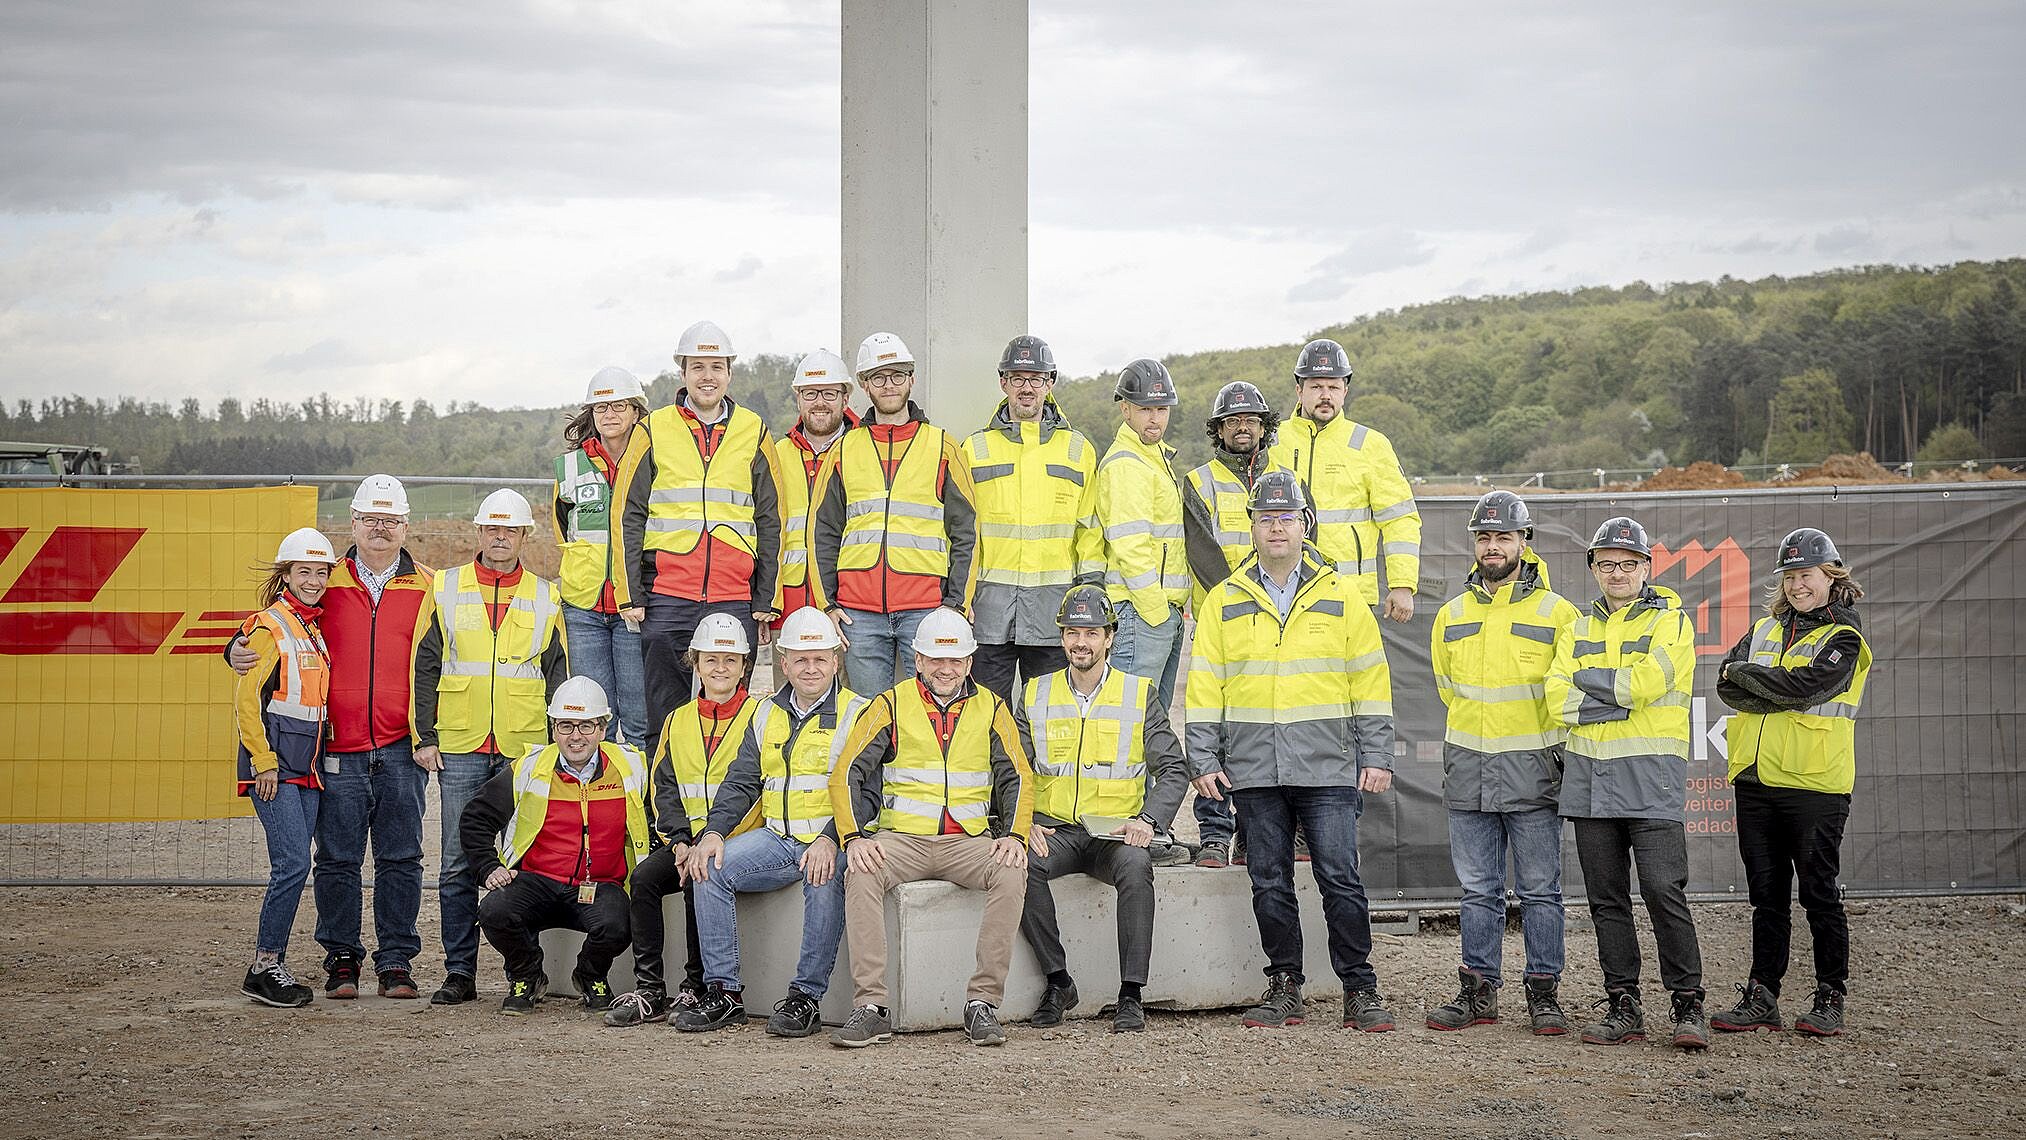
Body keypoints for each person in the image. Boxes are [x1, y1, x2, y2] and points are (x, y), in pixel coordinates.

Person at [1185, 473, 1399, 1033]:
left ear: (1305, 525)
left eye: (1286, 518)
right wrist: (1203, 758)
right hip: (1254, 767)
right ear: (1251, 527)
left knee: (1339, 877)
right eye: (1265, 518)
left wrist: (1376, 755)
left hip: (1326, 764)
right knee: (1269, 879)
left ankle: (1360, 988)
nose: (1276, 527)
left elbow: (1370, 680)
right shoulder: (1225, 600)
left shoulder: (1342, 596)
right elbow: (1206, 685)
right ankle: (1285, 985)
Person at [225, 474, 435, 1001]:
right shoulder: (325, 580)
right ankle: (342, 958)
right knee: (338, 859)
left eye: (391, 520)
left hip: (402, 747)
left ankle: (395, 962)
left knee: (400, 858)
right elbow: (275, 624)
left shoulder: (432, 586)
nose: (381, 529)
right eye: (370, 519)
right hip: (336, 749)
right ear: (354, 523)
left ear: (406, 525)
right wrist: (234, 646)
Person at [827, 608, 1034, 1048]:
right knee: (860, 871)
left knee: (1013, 872)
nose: (946, 668)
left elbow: (1017, 776)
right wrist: (851, 838)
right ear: (918, 659)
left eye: (955, 660)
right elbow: (846, 772)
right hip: (902, 840)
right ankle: (872, 1007)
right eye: (936, 660)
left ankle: (982, 1004)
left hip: (968, 842)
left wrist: (1014, 836)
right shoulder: (889, 703)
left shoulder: (992, 708)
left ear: (970, 663)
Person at [1545, 517, 1708, 1050]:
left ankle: (1688, 1007)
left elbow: (1648, 683)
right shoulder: (1576, 627)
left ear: (1646, 568)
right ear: (1593, 568)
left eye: (1629, 564)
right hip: (1590, 785)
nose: (1618, 572)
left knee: (1664, 891)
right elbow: (1555, 700)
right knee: (1606, 901)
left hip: (1651, 782)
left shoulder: (1673, 622)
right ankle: (1624, 1006)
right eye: (1607, 564)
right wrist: (1619, 696)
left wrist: (1592, 687)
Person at [1426, 490, 1580, 1036]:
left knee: (1541, 890)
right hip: (1469, 772)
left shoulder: (1559, 614)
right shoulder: (1452, 614)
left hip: (1533, 774)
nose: (1493, 546)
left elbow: (1565, 695)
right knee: (1477, 891)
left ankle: (1544, 995)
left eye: (1504, 537)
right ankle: (1478, 995)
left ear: (1524, 541)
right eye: (1485, 537)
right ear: (1475, 544)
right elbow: (1450, 689)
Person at [673, 607, 867, 1036]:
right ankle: (724, 992)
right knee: (709, 867)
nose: (810, 668)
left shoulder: (859, 713)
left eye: (820, 658)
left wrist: (832, 839)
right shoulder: (765, 713)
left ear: (836, 661)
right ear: (784, 663)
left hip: (831, 839)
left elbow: (867, 789)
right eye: (800, 658)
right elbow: (741, 781)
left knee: (823, 875)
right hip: (778, 839)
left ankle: (806, 998)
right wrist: (712, 834)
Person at [411, 487, 569, 1006]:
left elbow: (558, 674)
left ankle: (525, 972)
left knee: (526, 860)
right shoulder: (446, 588)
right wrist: (424, 735)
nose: (500, 538)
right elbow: (424, 662)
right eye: (492, 529)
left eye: (511, 530)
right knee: (458, 862)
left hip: (524, 746)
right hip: (461, 742)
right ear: (479, 532)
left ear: (526, 535)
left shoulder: (548, 596)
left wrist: (555, 746)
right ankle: (459, 973)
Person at [1712, 527, 1871, 1038]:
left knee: (1819, 894)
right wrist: (1763, 686)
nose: (1798, 585)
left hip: (1815, 784)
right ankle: (1763, 995)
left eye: (1807, 575)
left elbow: (1805, 689)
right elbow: (1723, 679)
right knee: (1766, 895)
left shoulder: (1845, 638)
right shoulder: (1763, 628)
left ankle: (1831, 997)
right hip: (1756, 778)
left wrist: (1756, 682)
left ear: (1831, 576)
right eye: (1790, 576)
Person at [1016, 585, 1186, 1033]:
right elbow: (1010, 770)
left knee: (1135, 867)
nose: (1081, 643)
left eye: (1091, 632)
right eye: (1072, 632)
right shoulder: (1035, 693)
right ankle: (1058, 982)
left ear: (1109, 637)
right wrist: (1023, 823)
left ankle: (1131, 994)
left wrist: (1148, 821)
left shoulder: (1138, 693)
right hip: (1056, 833)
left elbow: (1173, 768)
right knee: (1017, 866)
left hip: (1114, 836)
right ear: (1062, 638)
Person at [616, 320, 783, 757]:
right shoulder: (653, 429)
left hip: (733, 595)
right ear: (682, 373)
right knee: (665, 718)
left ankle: (726, 817)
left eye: (716, 366)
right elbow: (627, 513)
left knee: (731, 717)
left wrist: (765, 599)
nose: (707, 376)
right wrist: (632, 592)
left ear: (729, 372)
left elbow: (771, 518)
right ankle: (663, 819)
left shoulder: (754, 429)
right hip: (668, 594)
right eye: (697, 367)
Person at [458, 677, 652, 1014]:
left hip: (601, 884)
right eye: (566, 726)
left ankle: (590, 975)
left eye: (586, 726)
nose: (576, 736)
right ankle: (526, 974)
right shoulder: (529, 769)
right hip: (537, 882)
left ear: (603, 728)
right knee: (494, 911)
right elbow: (476, 817)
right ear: (553, 728)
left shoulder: (632, 767)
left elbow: (657, 815)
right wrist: (488, 866)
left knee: (622, 923)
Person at [603, 613, 758, 1026]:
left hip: (734, 839)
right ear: (696, 663)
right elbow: (664, 786)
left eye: (729, 661)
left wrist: (711, 839)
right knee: (644, 880)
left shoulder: (760, 716)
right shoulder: (678, 719)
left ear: (745, 665)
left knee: (700, 878)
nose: (720, 669)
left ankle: (695, 985)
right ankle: (651, 988)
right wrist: (680, 841)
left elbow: (756, 788)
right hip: (686, 842)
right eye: (711, 660)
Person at [810, 331, 980, 695]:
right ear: (864, 386)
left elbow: (967, 531)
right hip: (858, 615)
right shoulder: (844, 449)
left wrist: (956, 605)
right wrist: (828, 603)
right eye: (878, 377)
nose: (889, 385)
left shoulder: (943, 446)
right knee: (869, 721)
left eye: (897, 375)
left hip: (927, 611)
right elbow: (821, 531)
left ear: (911, 380)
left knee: (927, 716)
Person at [960, 335, 1104, 702]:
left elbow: (1089, 531)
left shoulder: (1077, 450)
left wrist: (1088, 596)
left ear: (1050, 383)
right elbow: (960, 532)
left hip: (1054, 615)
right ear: (1003, 382)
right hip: (988, 615)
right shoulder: (974, 449)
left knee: (1049, 715)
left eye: (1035, 378)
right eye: (1018, 378)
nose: (1027, 388)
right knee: (987, 716)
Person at [1180, 379, 1287, 868]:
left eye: (1251, 420)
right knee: (1216, 729)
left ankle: (1256, 833)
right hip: (1220, 623)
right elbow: (1201, 552)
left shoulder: (1286, 479)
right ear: (1218, 429)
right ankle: (1216, 833)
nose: (1242, 427)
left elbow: (1303, 541)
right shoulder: (1199, 482)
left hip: (1279, 626)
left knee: (1268, 727)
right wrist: (1247, 595)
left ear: (1265, 427)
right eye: (1233, 421)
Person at [233, 527, 338, 1008]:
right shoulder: (270, 625)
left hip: (308, 768)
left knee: (298, 866)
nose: (314, 580)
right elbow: (246, 700)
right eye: (304, 571)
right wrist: (264, 763)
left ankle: (269, 962)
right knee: (293, 863)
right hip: (276, 769)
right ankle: (263, 966)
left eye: (321, 572)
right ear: (286, 574)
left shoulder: (310, 627)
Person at [1269, 338, 1420, 622]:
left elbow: (1400, 520)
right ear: (1299, 390)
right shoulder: (1273, 441)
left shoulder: (1371, 445)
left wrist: (1402, 584)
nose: (1325, 395)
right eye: (1316, 386)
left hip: (1351, 594)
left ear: (1345, 391)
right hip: (1281, 592)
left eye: (1333, 387)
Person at [553, 366, 651, 746]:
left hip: (635, 606)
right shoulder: (571, 467)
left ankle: (638, 802)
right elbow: (562, 526)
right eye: (600, 408)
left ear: (636, 412)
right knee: (595, 718)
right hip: (584, 609)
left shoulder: (652, 462)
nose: (609, 415)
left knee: (639, 721)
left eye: (619, 406)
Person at [1095, 358, 1190, 707]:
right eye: (1145, 409)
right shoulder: (1126, 464)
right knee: (1132, 722)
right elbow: (1130, 546)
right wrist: (1157, 612)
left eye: (1162, 409)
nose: (1155, 418)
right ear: (1125, 409)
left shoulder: (1153, 459)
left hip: (1160, 613)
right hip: (1140, 613)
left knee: (1154, 725)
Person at [775, 350, 860, 622]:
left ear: (846, 398)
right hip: (789, 607)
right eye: (810, 393)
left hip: (848, 607)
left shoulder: (864, 450)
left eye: (829, 394)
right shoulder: (777, 455)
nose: (819, 402)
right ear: (798, 397)